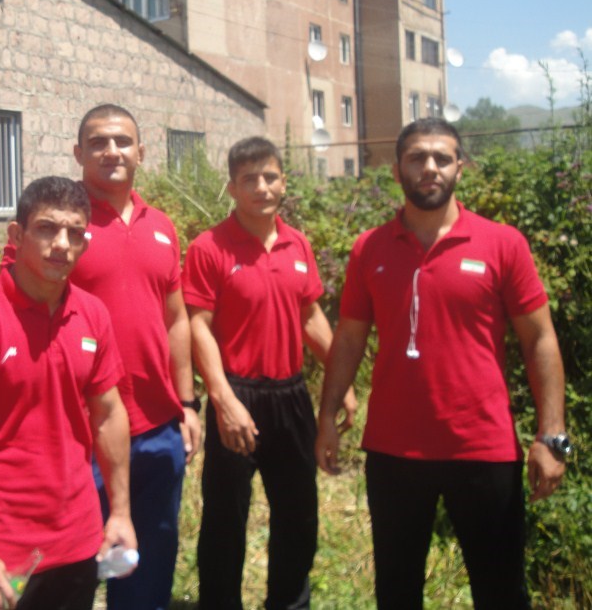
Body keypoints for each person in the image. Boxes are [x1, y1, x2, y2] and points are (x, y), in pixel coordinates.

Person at [315, 118, 568, 609]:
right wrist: (326, 415)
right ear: (396, 171)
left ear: (460, 168)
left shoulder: (502, 243)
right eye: (417, 158)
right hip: (393, 450)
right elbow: (348, 338)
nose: (430, 167)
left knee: (501, 592)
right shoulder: (370, 248)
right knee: (397, 591)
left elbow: (540, 339)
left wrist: (552, 436)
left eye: (442, 158)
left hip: (483, 447)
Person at [0, 176, 136, 610]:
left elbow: (108, 415)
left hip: (78, 544)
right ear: (17, 235)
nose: (62, 244)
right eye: (47, 228)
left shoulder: (92, 314)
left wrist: (120, 512)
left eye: (75, 233)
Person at [182, 137, 356, 610]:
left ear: (283, 182)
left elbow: (310, 316)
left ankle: (289, 603)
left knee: (299, 515)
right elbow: (198, 327)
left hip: (291, 396)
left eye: (270, 177)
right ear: (232, 188)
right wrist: (223, 400)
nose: (262, 187)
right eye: (249, 179)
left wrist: (341, 380)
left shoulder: (298, 243)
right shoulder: (209, 248)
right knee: (225, 518)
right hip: (236, 393)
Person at [70, 104, 201, 610]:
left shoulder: (161, 226)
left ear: (141, 152)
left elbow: (176, 319)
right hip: (82, 431)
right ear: (78, 153)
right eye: (98, 142)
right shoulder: (61, 223)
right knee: (73, 571)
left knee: (146, 566)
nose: (112, 151)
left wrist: (187, 403)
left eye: (122, 141)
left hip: (156, 427)